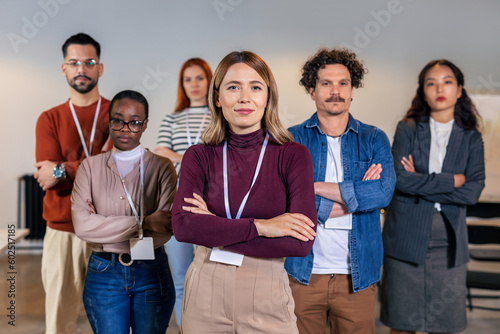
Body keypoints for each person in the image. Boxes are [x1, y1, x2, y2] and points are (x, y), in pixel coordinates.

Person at [172, 51, 317, 333]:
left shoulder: (294, 156)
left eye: (255, 86)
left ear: (268, 97)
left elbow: (300, 244)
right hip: (205, 291)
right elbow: (183, 227)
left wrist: (213, 228)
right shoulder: (198, 156)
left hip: (266, 290)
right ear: (217, 98)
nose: (244, 97)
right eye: (233, 87)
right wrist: (264, 227)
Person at [284, 48, 396, 334]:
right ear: (312, 90)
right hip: (302, 272)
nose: (336, 91)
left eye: (343, 83)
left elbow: (382, 194)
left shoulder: (373, 138)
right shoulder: (292, 139)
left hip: (357, 276)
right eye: (326, 83)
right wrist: (357, 197)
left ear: (352, 89)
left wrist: (313, 188)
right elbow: (283, 198)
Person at [380, 60, 485, 334]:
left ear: (459, 90)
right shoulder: (408, 129)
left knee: (445, 325)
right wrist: (451, 181)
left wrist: (420, 180)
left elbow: (472, 191)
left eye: (447, 81)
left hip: (449, 245)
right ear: (423, 91)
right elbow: (398, 180)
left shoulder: (472, 138)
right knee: (402, 325)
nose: (440, 88)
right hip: (404, 238)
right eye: (431, 82)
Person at [71, 90, 177, 334]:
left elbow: (164, 228)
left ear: (145, 125)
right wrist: (144, 222)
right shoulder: (89, 167)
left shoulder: (162, 167)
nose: (125, 128)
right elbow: (83, 227)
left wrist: (104, 226)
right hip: (103, 274)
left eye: (135, 122)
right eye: (118, 120)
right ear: (109, 122)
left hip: (151, 271)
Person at [34, 32, 110, 334]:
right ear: (64, 68)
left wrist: (62, 170)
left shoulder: (117, 113)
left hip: (107, 230)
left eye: (89, 62)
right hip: (62, 232)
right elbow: (45, 179)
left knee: (111, 320)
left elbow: (117, 171)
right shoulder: (49, 118)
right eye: (74, 62)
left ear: (100, 68)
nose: (82, 69)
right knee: (58, 322)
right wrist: (96, 165)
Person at [155, 58, 212, 329]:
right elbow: (159, 156)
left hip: (212, 205)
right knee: (180, 275)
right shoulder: (172, 119)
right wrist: (197, 159)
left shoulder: (220, 116)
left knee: (209, 275)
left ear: (210, 80)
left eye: (199, 78)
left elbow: (223, 158)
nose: (194, 85)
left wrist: (179, 157)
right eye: (187, 79)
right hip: (178, 204)